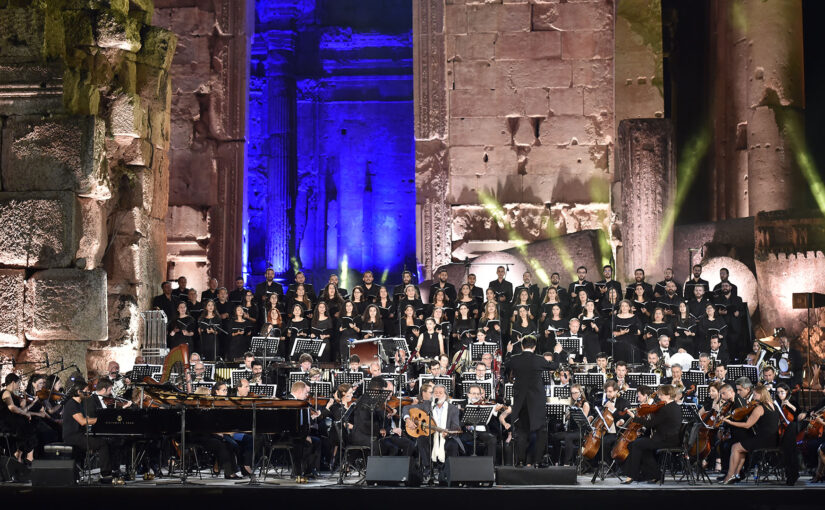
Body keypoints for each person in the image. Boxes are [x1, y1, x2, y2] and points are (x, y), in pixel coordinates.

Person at [503, 335, 560, 467]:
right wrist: (556, 352)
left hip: (520, 402)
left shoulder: (514, 359)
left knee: (522, 431)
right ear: (534, 347)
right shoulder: (538, 360)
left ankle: (520, 461)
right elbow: (555, 366)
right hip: (536, 402)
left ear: (522, 346)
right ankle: (538, 461)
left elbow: (506, 365)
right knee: (541, 431)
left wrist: (509, 351)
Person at [61, 376, 120, 484]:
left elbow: (87, 419)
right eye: (87, 391)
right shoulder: (71, 404)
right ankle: (105, 474)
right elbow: (82, 421)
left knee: (106, 441)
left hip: (80, 434)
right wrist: (101, 420)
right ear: (79, 392)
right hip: (73, 436)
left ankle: (112, 470)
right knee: (102, 444)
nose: (89, 393)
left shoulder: (79, 404)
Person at [621, 384, 682, 484]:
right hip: (671, 439)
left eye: (661, 395)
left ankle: (631, 475)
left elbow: (651, 424)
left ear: (668, 395)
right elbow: (659, 424)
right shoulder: (675, 406)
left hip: (666, 440)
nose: (659, 397)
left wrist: (635, 417)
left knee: (636, 444)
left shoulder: (666, 409)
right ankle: (655, 474)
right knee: (641, 446)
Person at [720, 383, 780, 484]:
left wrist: (730, 422)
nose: (754, 397)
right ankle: (736, 474)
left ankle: (729, 476)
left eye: (755, 395)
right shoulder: (774, 406)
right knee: (741, 448)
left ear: (761, 394)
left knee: (735, 447)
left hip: (763, 441)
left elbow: (747, 425)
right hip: (774, 440)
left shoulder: (760, 408)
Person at [0, 373, 37, 465]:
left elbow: (20, 409)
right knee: (28, 430)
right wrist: (25, 413)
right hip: (6, 423)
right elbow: (11, 407)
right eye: (18, 384)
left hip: (13, 422)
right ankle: (22, 456)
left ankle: (20, 455)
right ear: (13, 382)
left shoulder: (12, 394)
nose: (18, 386)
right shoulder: (6, 392)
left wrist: (25, 404)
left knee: (29, 429)